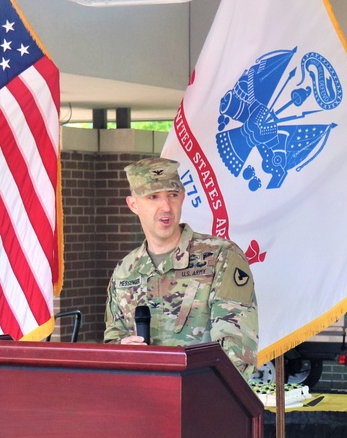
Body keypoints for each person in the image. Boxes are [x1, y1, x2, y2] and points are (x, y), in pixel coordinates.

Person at [104, 157, 258, 380]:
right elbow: (112, 344)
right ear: (133, 204)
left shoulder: (221, 257)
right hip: (141, 401)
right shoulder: (125, 270)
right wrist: (122, 350)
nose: (166, 206)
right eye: (153, 197)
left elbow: (236, 353)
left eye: (172, 195)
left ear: (183, 198)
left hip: (203, 400)